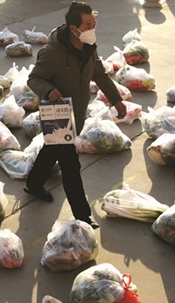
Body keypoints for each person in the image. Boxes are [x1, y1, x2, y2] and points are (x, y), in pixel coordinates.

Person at [24, 1, 127, 229]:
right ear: (74, 28)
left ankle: (33, 183)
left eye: (94, 23)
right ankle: (83, 215)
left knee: (52, 150)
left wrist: (117, 100)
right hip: (58, 114)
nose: (93, 28)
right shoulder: (53, 52)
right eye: (88, 24)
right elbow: (34, 78)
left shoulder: (88, 46)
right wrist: (48, 90)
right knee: (70, 165)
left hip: (77, 113)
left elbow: (99, 75)